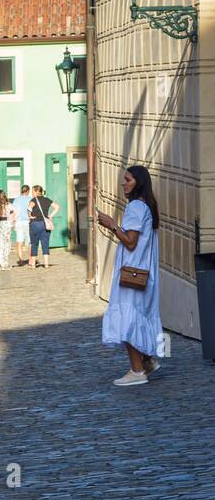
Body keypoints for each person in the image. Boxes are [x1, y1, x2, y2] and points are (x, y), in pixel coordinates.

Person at [97, 165, 162, 387]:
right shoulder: (147, 207)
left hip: (132, 275)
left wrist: (111, 225)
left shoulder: (135, 207)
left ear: (139, 183)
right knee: (137, 316)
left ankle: (137, 371)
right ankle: (146, 360)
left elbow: (131, 242)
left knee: (128, 318)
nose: (124, 183)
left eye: (128, 180)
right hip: (143, 273)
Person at [27, 185, 59, 269]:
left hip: (35, 224)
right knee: (45, 244)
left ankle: (33, 264)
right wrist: (50, 216)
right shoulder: (47, 200)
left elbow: (29, 208)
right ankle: (46, 264)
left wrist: (30, 216)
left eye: (33, 191)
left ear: (36, 191)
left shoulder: (33, 200)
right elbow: (57, 207)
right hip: (45, 224)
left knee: (34, 244)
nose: (32, 193)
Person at [13, 184, 32, 266]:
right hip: (28, 221)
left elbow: (14, 211)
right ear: (27, 191)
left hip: (19, 221)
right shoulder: (31, 199)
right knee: (30, 242)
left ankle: (20, 260)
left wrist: (13, 222)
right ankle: (31, 260)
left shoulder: (16, 200)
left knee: (19, 241)